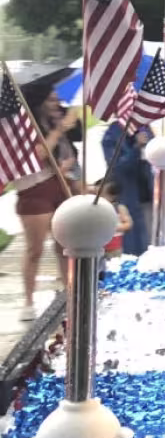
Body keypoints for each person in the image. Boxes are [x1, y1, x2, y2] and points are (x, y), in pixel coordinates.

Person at [12, 85, 79, 321]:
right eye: (51, 100)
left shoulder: (49, 123)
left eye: (57, 99)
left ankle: (70, 291)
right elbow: (38, 155)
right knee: (35, 249)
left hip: (58, 184)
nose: (56, 104)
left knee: (64, 244)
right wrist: (60, 129)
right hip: (33, 190)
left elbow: (57, 155)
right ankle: (28, 301)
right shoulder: (21, 126)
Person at [102, 120, 153, 256]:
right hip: (128, 196)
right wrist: (136, 148)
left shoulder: (145, 128)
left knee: (152, 242)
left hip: (149, 194)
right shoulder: (111, 135)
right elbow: (117, 167)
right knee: (133, 246)